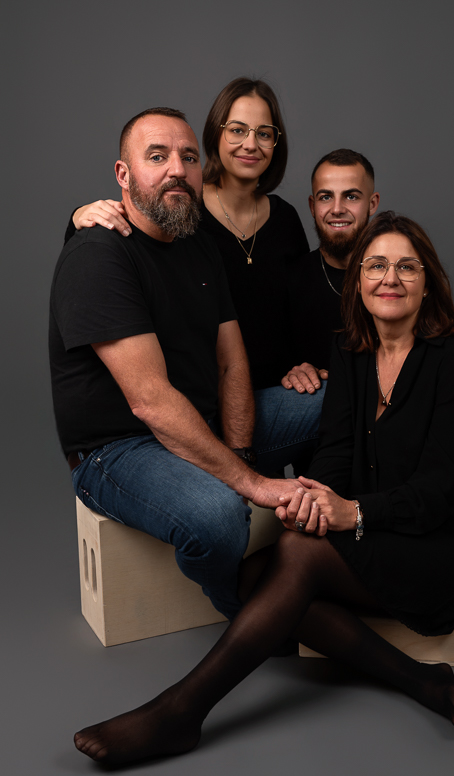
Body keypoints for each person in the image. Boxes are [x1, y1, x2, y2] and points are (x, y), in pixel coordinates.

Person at [74, 211, 454, 766]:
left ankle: (181, 710)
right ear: (358, 280)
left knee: (294, 556)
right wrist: (313, 500)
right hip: (382, 533)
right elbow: (336, 452)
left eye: (406, 267)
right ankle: (420, 679)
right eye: (376, 265)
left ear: (428, 281)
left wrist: (354, 514)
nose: (389, 278)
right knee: (253, 575)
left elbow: (441, 490)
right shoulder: (350, 352)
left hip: (445, 546)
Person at [50, 107, 302, 621]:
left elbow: (231, 363)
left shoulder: (198, 246)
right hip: (119, 449)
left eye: (188, 157)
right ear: (123, 175)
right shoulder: (98, 254)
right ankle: (261, 618)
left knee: (339, 403)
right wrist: (251, 484)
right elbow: (151, 401)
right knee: (219, 517)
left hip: (202, 420)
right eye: (157, 156)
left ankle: (328, 551)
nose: (177, 170)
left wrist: (240, 455)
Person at [68, 78, 321, 472]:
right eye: (237, 130)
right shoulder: (181, 205)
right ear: (215, 136)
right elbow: (123, 242)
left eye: (264, 133)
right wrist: (78, 217)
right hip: (198, 397)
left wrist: (303, 363)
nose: (251, 144)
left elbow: (302, 306)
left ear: (276, 143)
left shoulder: (285, 217)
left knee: (344, 402)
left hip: (268, 391)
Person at [282, 149, 379, 395]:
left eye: (351, 197)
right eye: (326, 197)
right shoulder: (288, 280)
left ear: (372, 204)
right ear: (312, 206)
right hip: (317, 404)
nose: (337, 209)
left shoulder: (393, 278)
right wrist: (295, 372)